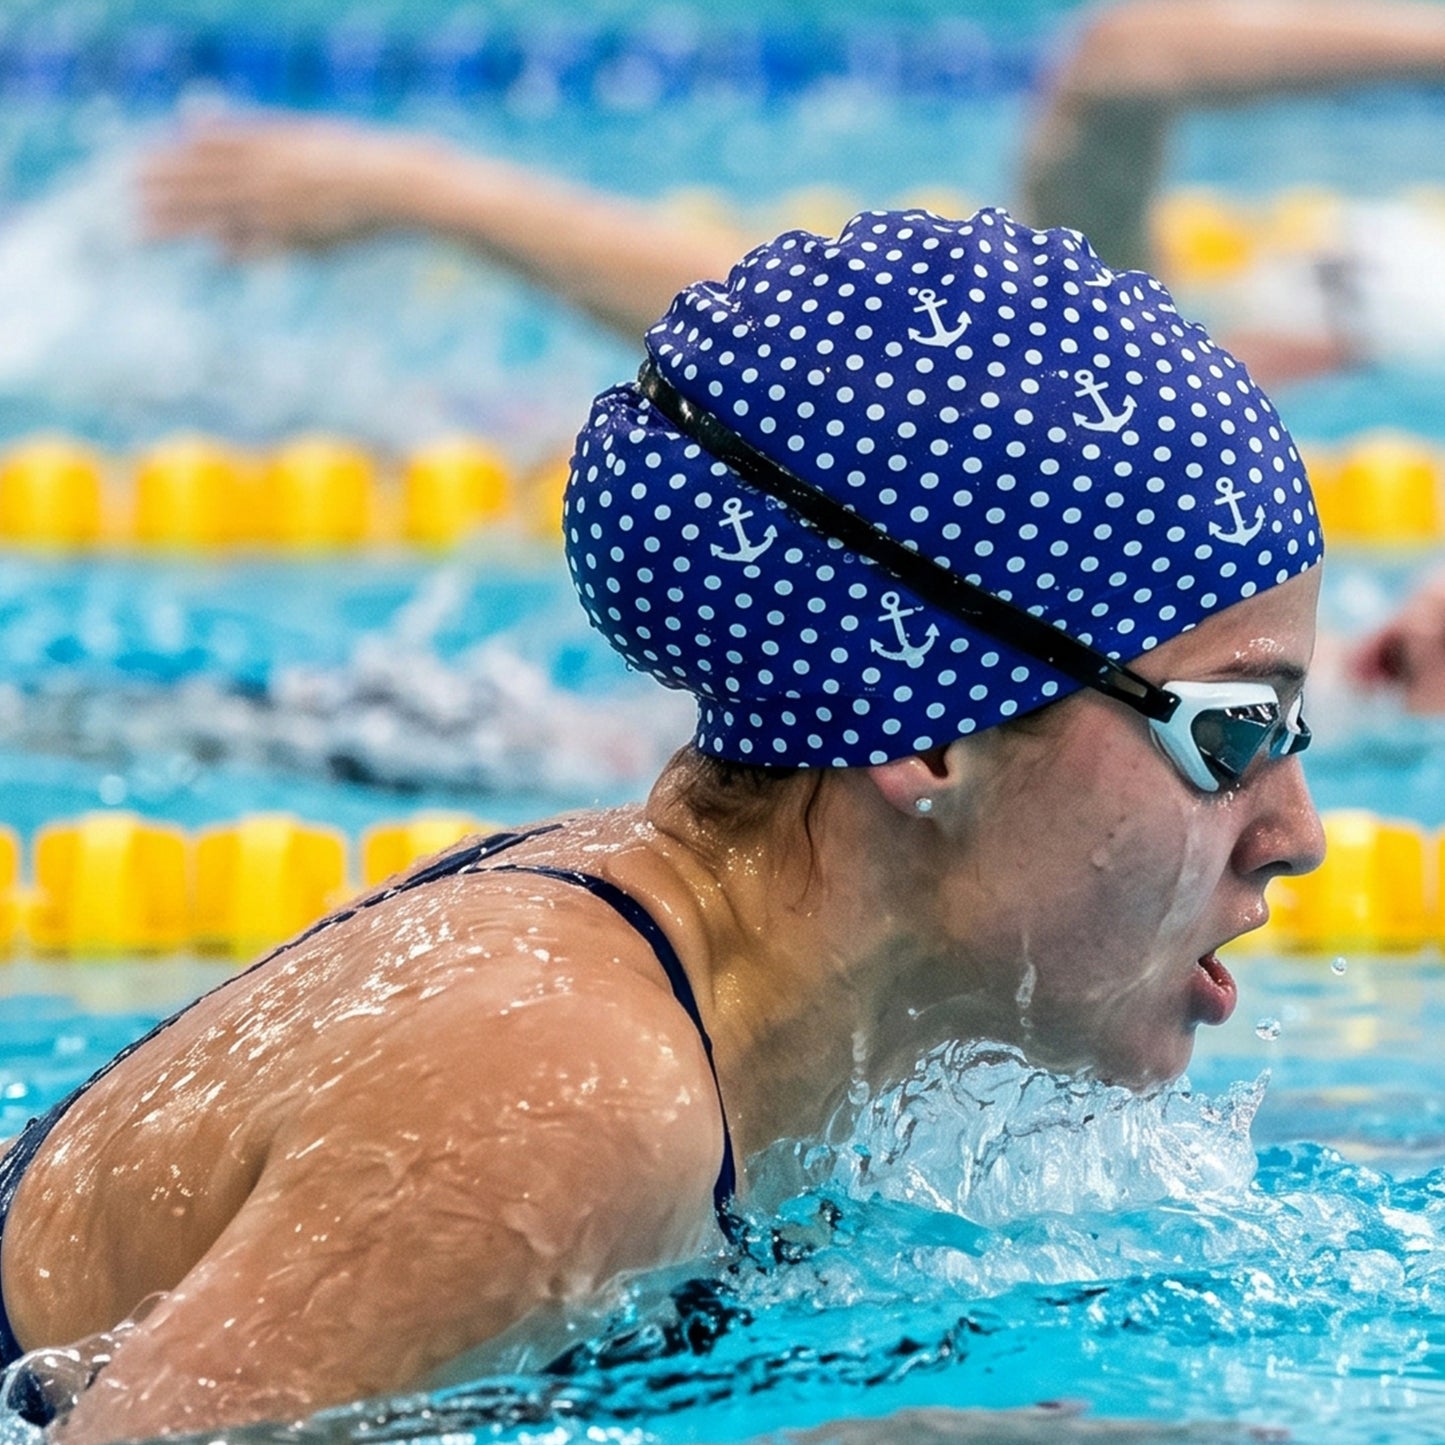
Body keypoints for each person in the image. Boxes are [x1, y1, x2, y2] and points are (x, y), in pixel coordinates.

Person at [0, 207, 1325, 1442]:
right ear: (930, 734)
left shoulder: (728, 1002)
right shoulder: (563, 1095)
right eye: (1231, 731)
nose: (1296, 829)